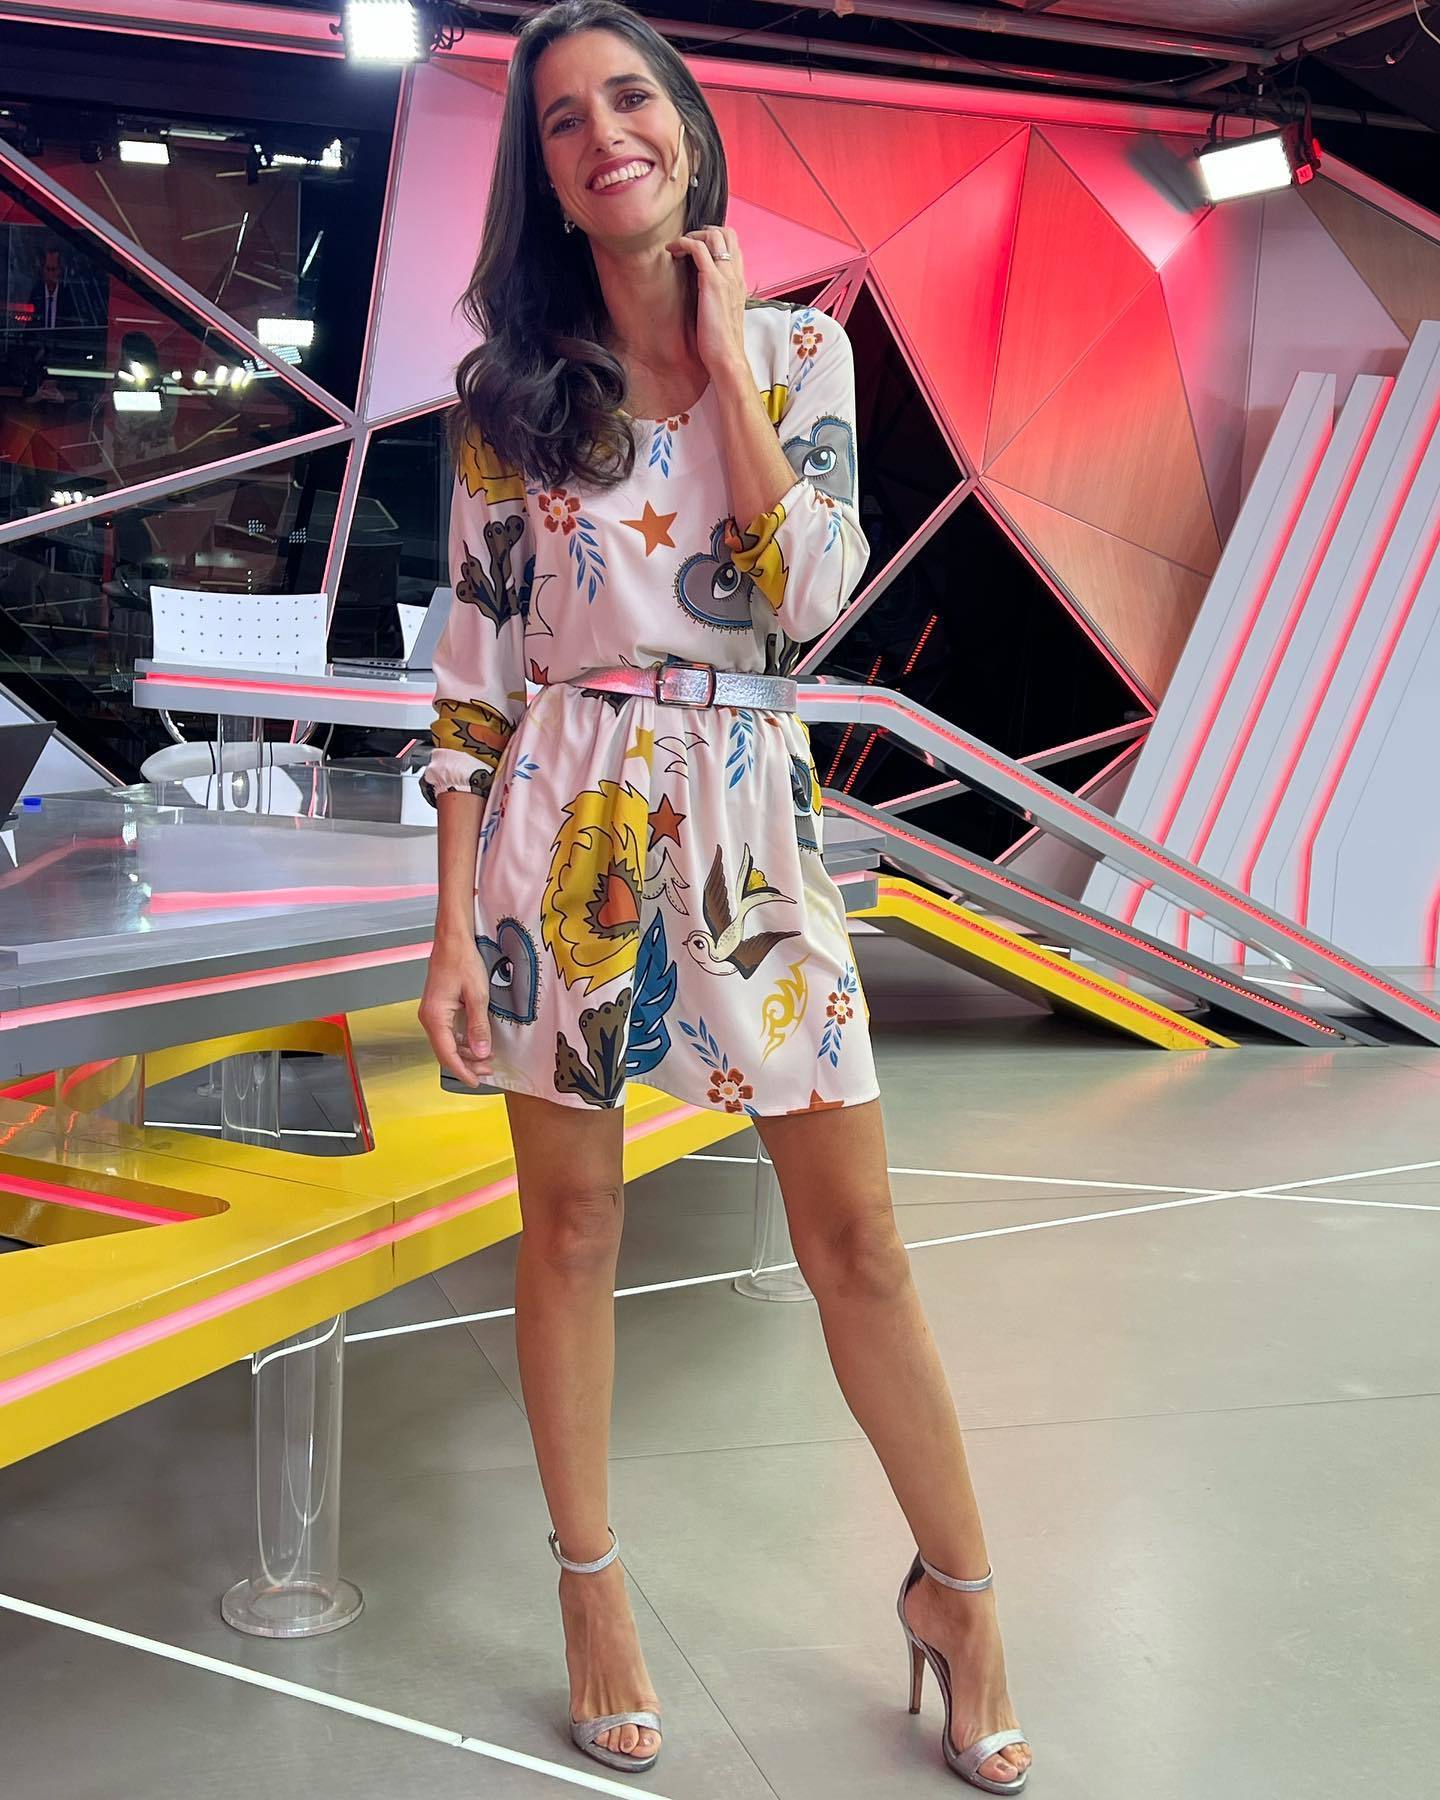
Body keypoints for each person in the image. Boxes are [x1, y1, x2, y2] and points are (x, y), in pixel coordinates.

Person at [417, 4, 1033, 1790]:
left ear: (686, 129)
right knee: (571, 1233)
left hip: (754, 822)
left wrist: (724, 356)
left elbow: (811, 590)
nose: (601, 133)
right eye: (560, 120)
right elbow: (471, 680)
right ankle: (591, 1590)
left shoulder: (799, 351)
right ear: (543, 178)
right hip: (564, 821)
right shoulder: (504, 405)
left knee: (860, 1242)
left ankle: (962, 1594)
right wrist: (449, 924)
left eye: (631, 99)